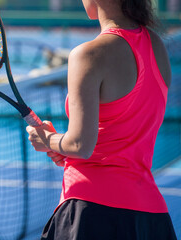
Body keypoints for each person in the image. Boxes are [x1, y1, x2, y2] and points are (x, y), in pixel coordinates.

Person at [26, 0, 177, 239]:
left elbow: (80, 145)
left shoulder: (88, 54)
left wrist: (48, 139)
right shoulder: (157, 46)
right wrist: (61, 146)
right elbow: (119, 133)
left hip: (91, 211)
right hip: (151, 216)